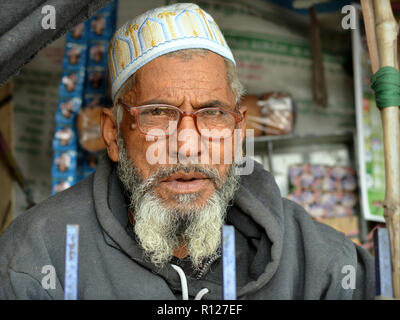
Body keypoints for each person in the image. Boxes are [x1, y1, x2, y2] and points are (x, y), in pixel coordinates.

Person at [0, 3, 375, 299]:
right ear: (113, 135)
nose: (187, 144)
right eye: (158, 113)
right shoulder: (39, 258)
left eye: (212, 114)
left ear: (238, 131)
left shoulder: (317, 264)